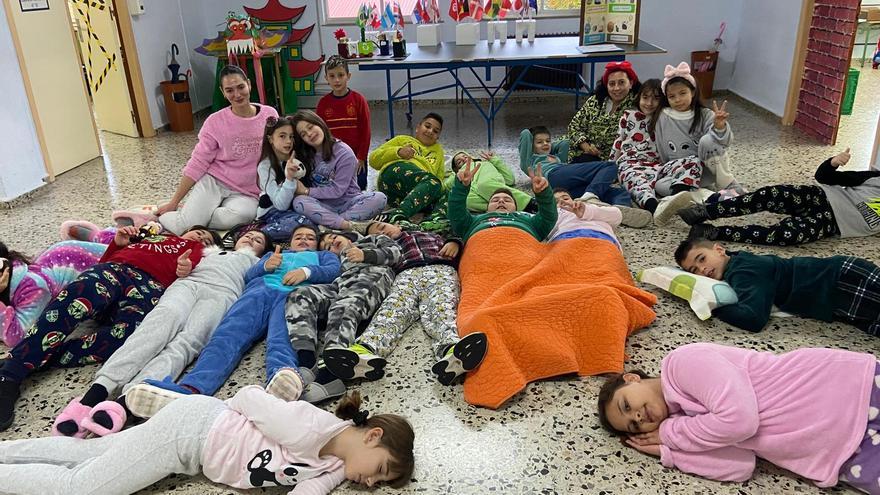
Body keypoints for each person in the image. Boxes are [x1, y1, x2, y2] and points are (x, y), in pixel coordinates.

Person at [52, 229, 271, 439]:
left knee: (186, 344)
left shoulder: (259, 263)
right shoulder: (209, 252)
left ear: (264, 249)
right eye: (249, 235)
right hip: (188, 285)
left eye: (258, 240)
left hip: (223, 296)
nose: (251, 239)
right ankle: (95, 393)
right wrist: (184, 268)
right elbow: (180, 268)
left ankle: (127, 402)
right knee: (154, 329)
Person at [0, 225, 218, 431]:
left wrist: (185, 268)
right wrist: (117, 243)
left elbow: (195, 277)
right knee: (76, 296)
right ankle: (10, 375)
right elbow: (105, 260)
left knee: (128, 339)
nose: (200, 237)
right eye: (198, 232)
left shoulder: (197, 252)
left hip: (150, 287)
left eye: (207, 239)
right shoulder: (155, 237)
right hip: (115, 270)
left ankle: (31, 358)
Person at [0, 387, 414, 494]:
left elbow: (311, 489)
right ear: (372, 435)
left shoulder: (339, 465)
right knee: (83, 487)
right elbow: (249, 396)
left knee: (91, 453)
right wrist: (225, 423)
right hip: (191, 433)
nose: (371, 482)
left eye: (379, 483)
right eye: (379, 470)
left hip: (194, 440)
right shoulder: (308, 427)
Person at [597, 342, 879, 494]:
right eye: (633, 425)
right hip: (839, 452)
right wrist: (668, 452)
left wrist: (672, 434)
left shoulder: (682, 363)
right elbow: (739, 466)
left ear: (631, 378)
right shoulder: (692, 426)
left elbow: (740, 419)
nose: (637, 417)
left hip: (849, 391)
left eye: (626, 405)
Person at [138, 225, 340, 412]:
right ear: (290, 242)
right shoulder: (274, 254)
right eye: (298, 237)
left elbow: (333, 271)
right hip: (257, 294)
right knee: (227, 337)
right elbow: (248, 275)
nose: (304, 239)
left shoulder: (323, 255)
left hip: (293, 297)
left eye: (310, 238)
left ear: (317, 243)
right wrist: (265, 266)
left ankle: (282, 377)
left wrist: (306, 272)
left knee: (283, 338)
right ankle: (191, 388)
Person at [113, 65, 279, 234]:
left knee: (242, 217)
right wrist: (174, 201)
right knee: (185, 227)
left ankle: (192, 212)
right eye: (229, 90)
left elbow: (280, 150)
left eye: (241, 87)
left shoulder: (269, 115)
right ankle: (155, 217)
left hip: (247, 191)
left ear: (249, 84)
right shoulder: (215, 122)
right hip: (215, 182)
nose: (237, 94)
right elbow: (198, 163)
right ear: (222, 92)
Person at [322, 221, 488, 386]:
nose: (382, 233)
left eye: (382, 227)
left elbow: (456, 236)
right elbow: (382, 258)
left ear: (398, 225)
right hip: (405, 275)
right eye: (377, 234)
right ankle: (365, 351)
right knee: (392, 310)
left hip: (440, 269)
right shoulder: (388, 246)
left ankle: (452, 351)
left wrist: (454, 242)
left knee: (442, 308)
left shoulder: (428, 235)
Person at [674, 237, 880, 335]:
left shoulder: (743, 271)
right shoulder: (738, 261)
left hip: (841, 282)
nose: (702, 269)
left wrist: (713, 306)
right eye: (694, 270)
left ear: (719, 250)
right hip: (837, 287)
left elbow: (753, 319)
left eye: (702, 259)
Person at [286, 231, 402, 403]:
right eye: (327, 246)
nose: (332, 243)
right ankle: (306, 360)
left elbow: (396, 253)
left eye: (333, 238)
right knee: (300, 295)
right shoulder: (339, 259)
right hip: (340, 285)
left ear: (348, 237)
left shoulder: (372, 239)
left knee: (342, 307)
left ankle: (331, 375)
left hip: (371, 276)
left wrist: (365, 254)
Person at [678, 147, 880, 246]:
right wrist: (833, 162)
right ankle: (705, 211)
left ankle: (714, 232)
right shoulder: (874, 178)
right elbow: (824, 177)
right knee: (769, 195)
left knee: (785, 235)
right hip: (823, 197)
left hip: (832, 224)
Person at [650, 62, 741, 223]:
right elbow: (662, 148)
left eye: (682, 93)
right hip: (678, 171)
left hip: (703, 170)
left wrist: (719, 126)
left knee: (707, 140)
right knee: (659, 185)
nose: (678, 99)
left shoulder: (705, 114)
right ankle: (708, 197)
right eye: (672, 96)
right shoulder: (663, 116)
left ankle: (728, 184)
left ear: (692, 92)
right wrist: (670, 168)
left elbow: (722, 144)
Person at [613, 78, 701, 224]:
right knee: (638, 184)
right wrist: (611, 166)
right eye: (645, 97)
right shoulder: (629, 115)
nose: (649, 103)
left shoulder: (665, 117)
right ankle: (655, 208)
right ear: (639, 97)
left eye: (655, 98)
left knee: (693, 160)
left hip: (659, 165)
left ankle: (678, 195)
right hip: (631, 163)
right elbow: (618, 142)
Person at [290, 111, 387, 230]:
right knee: (298, 201)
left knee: (380, 198)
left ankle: (331, 224)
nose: (309, 134)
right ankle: (342, 224)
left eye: (310, 127)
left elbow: (337, 191)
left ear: (319, 123)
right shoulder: (305, 154)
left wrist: (306, 191)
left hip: (349, 202)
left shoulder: (344, 152)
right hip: (321, 205)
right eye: (303, 134)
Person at [0, 239, 106, 347]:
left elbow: (17, 337)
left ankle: (103, 237)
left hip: (101, 268)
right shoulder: (15, 279)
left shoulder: (32, 287)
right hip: (64, 256)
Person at [449, 161, 557, 243]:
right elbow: (456, 213)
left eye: (507, 200)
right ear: (487, 210)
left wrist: (544, 193)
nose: (501, 200)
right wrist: (460, 187)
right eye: (495, 200)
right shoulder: (474, 221)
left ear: (517, 209)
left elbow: (549, 217)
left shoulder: (528, 220)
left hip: (522, 254)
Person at [369, 113, 447, 229]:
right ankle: (398, 216)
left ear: (438, 137)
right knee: (433, 182)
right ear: (417, 128)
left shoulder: (438, 151)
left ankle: (431, 223)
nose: (430, 131)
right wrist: (398, 151)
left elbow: (439, 178)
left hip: (413, 195)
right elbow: (373, 160)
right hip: (395, 173)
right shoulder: (402, 139)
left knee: (446, 194)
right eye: (427, 126)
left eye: (435, 131)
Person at [567, 61, 641, 163]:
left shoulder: (637, 106)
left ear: (631, 84)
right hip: (582, 150)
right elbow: (574, 125)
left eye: (621, 82)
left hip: (613, 160)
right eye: (612, 84)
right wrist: (585, 146)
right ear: (606, 85)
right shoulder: (596, 100)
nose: (616, 88)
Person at [316, 55, 371, 190]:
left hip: (356, 157)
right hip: (333, 157)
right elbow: (319, 133)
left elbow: (366, 132)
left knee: (360, 186)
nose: (337, 80)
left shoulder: (359, 100)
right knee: (335, 188)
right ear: (326, 78)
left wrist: (361, 157)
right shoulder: (323, 104)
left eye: (341, 75)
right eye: (332, 76)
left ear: (348, 76)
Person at [255, 115, 312, 242]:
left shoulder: (297, 159)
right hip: (273, 212)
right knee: (302, 223)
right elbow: (280, 205)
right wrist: (289, 179)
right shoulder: (265, 166)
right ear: (270, 139)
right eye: (282, 136)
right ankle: (258, 234)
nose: (288, 141)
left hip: (297, 207)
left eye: (291, 137)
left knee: (311, 220)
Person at [445, 150, 533, 212]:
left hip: (489, 184)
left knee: (484, 185)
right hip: (473, 192)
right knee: (466, 201)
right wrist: (456, 174)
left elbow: (510, 179)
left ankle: (529, 203)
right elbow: (447, 185)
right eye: (459, 162)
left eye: (465, 156)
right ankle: (504, 206)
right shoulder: (459, 173)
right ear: (456, 168)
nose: (464, 159)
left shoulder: (485, 163)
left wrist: (494, 160)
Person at [549, 188, 621, 249]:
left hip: (599, 235)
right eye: (556, 202)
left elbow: (617, 215)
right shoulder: (551, 215)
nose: (562, 201)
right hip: (564, 238)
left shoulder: (589, 207)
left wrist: (586, 211)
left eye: (565, 198)